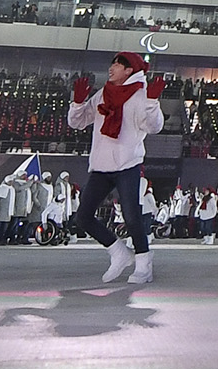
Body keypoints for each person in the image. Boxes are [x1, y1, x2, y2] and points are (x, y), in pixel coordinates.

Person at [69, 54, 166, 284]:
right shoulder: (103, 94)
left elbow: (153, 127)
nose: (111, 68)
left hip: (127, 164)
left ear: (129, 70)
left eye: (117, 64)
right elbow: (78, 122)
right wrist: (78, 103)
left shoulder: (140, 95)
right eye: (111, 63)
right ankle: (118, 252)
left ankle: (144, 263)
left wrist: (152, 102)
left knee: (132, 215)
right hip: (102, 165)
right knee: (83, 217)